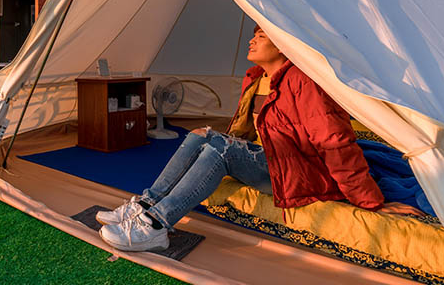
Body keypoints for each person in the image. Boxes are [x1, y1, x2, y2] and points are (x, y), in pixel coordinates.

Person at [98, 25, 423, 252]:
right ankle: (146, 204)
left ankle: (156, 225)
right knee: (200, 136)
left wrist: (369, 201)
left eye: (261, 36)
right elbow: (247, 131)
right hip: (278, 159)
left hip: (304, 171)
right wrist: (217, 138)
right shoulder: (256, 78)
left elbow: (335, 142)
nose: (251, 41)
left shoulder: (304, 83)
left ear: (282, 46)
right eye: (253, 35)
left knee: (219, 150)